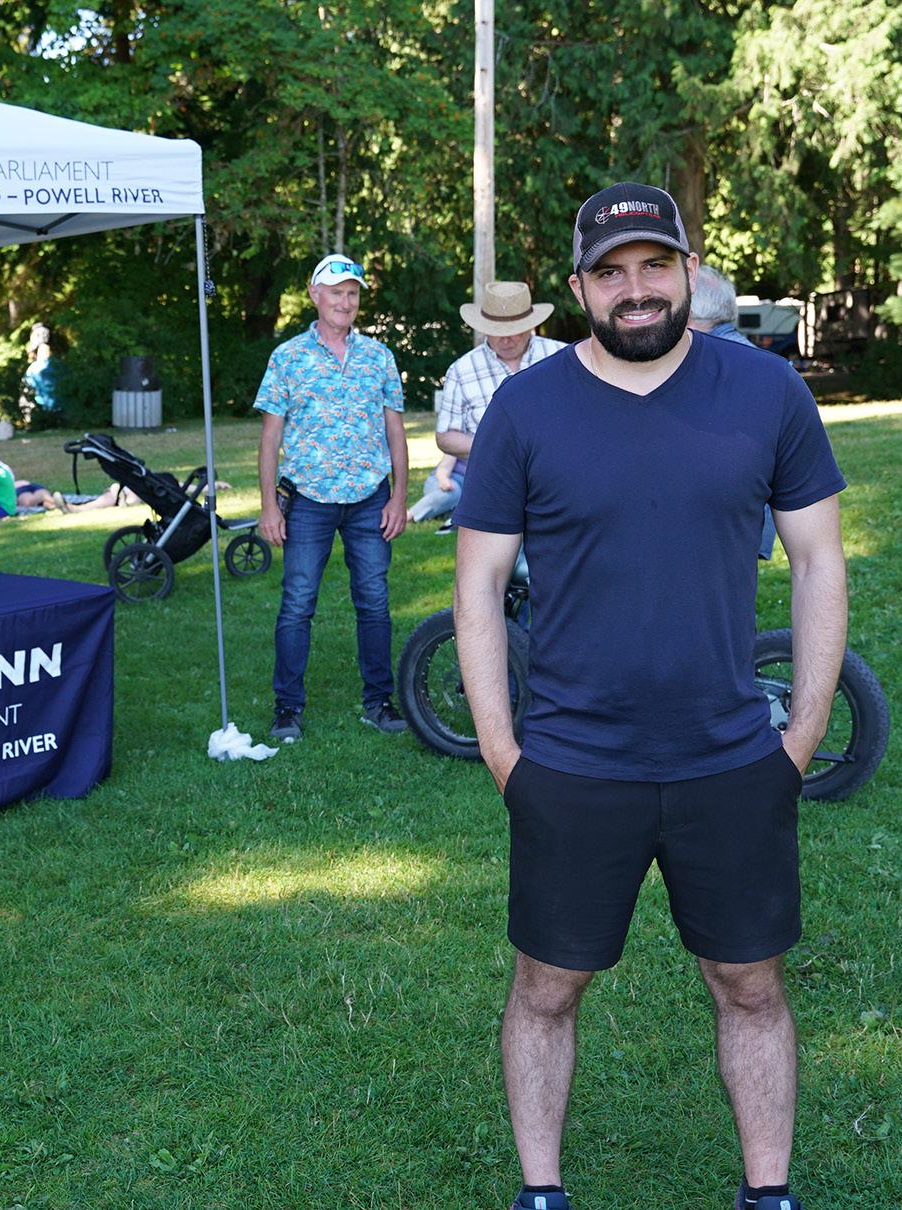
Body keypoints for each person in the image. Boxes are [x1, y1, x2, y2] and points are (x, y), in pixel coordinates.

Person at [452, 182, 847, 1210]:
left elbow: (817, 563)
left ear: (686, 270)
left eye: (654, 265)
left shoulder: (765, 392)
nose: (635, 289)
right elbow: (477, 585)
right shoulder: (524, 408)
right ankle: (541, 1191)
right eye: (611, 272)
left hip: (732, 758)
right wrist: (502, 753)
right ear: (580, 287)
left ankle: (768, 1192)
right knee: (546, 987)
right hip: (571, 763)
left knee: (750, 984)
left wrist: (801, 735)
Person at [255, 252, 411, 741]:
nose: (345, 302)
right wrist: (268, 505)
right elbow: (270, 438)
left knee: (375, 601)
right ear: (315, 294)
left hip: (370, 498)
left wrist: (399, 498)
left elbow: (396, 431)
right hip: (307, 499)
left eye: (352, 293)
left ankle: (379, 702)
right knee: (298, 602)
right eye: (337, 292)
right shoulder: (287, 357)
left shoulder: (379, 357)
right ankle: (287, 708)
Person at [410, 280, 564, 530]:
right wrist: (499, 446)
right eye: (496, 330)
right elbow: (446, 437)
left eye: (514, 330)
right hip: (491, 482)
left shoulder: (561, 358)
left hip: (554, 479)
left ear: (530, 325)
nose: (505, 338)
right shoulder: (462, 370)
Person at [690, 264, 777, 559]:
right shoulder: (760, 362)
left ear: (689, 313)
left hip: (719, 526)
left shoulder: (707, 366)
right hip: (752, 521)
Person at [0, 450, 70, 517]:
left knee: (33, 500)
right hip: (26, 489)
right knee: (43, 498)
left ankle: (62, 504)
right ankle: (60, 505)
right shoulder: (1, 470)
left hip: (9, 504)